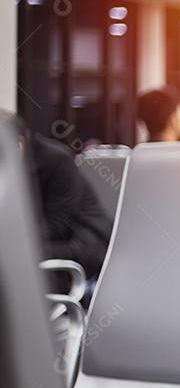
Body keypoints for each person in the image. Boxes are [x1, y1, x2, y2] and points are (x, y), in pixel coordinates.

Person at [14, 116, 110, 282]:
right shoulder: (11, 166)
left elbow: (58, 225)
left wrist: (12, 241)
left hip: (78, 244)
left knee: (17, 260)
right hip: (44, 243)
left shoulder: (56, 159)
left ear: (18, 144)